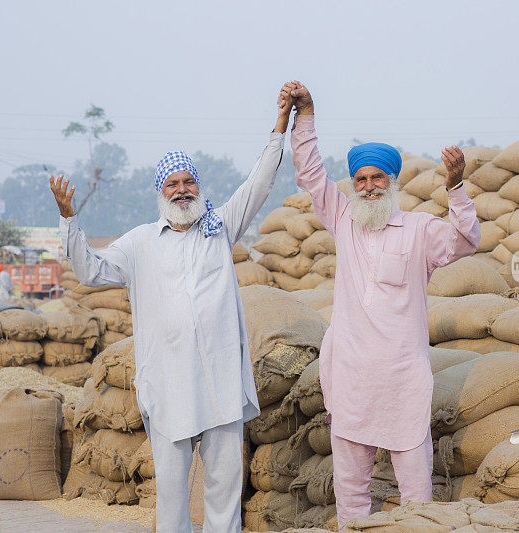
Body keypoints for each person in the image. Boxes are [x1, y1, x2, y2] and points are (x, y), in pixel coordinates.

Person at [50, 85, 292, 533]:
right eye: (173, 184)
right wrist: (69, 219)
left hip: (219, 383)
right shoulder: (140, 242)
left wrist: (280, 126)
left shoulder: (220, 228)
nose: (182, 191)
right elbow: (90, 272)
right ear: (161, 192)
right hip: (170, 386)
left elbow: (259, 183)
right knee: (171, 493)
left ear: (198, 186)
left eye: (188, 182)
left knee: (224, 488)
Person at [285, 80, 481, 528]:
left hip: (402, 379)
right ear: (352, 186)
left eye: (377, 178)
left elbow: (468, 240)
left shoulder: (419, 230)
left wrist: (456, 189)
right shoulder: (342, 220)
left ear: (392, 182)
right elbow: (310, 172)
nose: (369, 186)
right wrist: (307, 115)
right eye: (361, 179)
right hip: (352, 377)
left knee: (416, 494)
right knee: (350, 490)